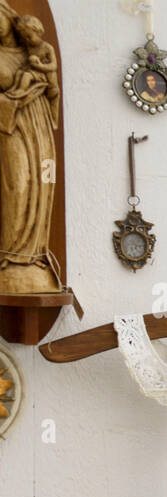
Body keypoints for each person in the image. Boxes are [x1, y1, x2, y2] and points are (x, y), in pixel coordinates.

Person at [0, 3, 60, 295]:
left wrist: (48, 88)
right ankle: (11, 255)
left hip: (40, 128)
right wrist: (14, 101)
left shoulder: (34, 50)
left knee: (45, 181)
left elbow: (52, 84)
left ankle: (34, 255)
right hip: (11, 127)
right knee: (19, 185)